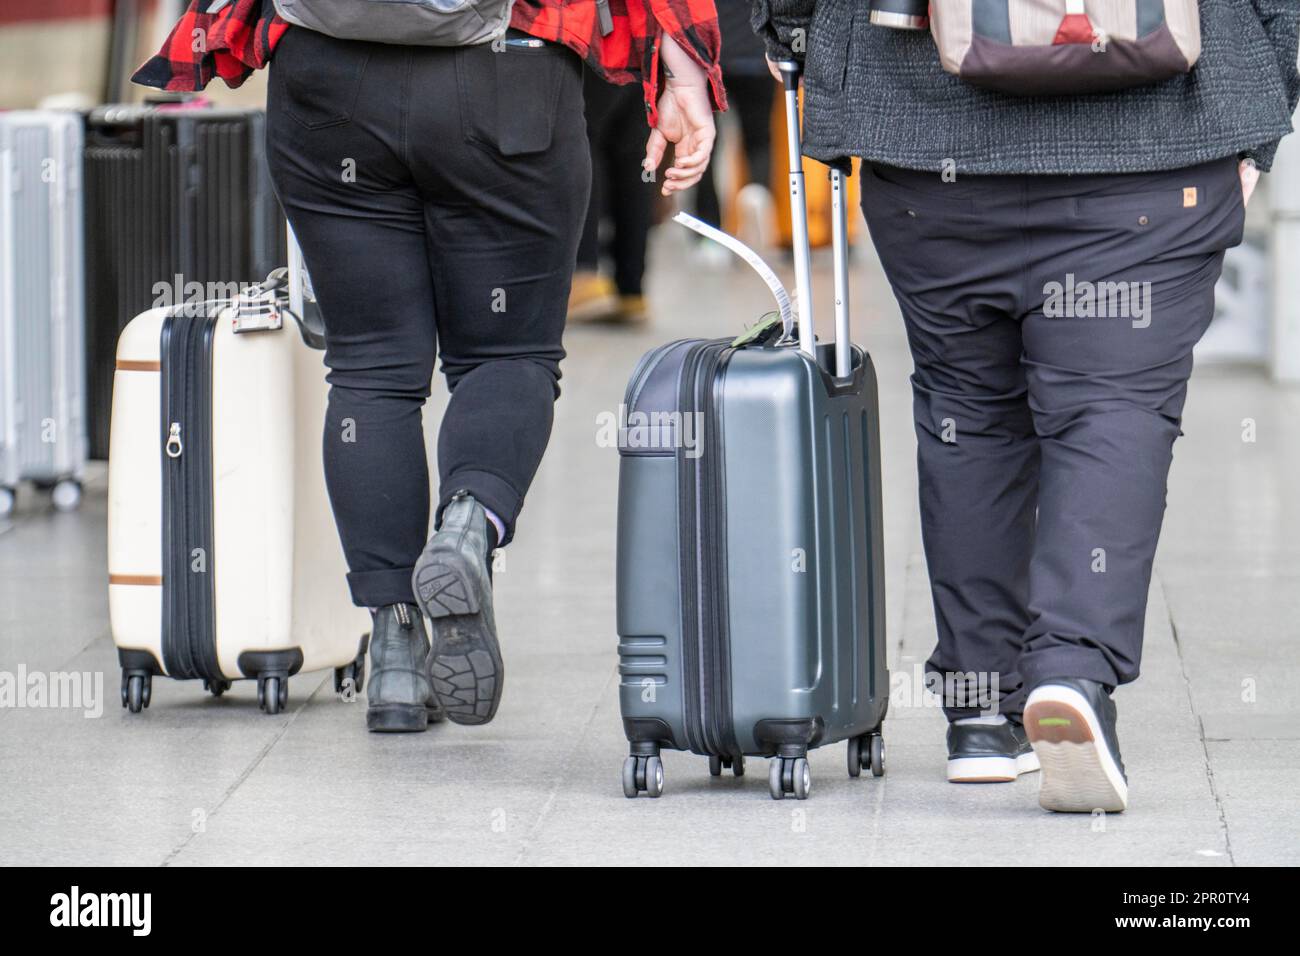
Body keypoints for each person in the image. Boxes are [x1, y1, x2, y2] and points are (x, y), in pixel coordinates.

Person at [752, 0, 1299, 811]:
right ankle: (1073, 672)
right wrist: (1264, 95)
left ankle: (980, 711)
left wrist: (793, 32)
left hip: (927, 138)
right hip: (1158, 140)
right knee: (1114, 409)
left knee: (965, 414)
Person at [138, 0, 723, 732]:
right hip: (509, 72)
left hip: (328, 78)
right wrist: (684, 72)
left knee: (369, 368)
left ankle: (394, 653)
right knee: (506, 354)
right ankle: (466, 528)